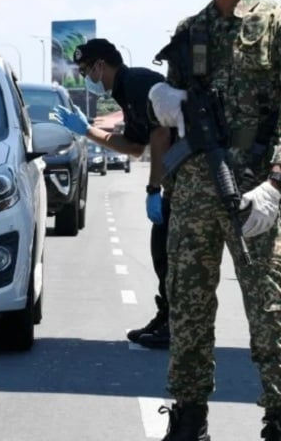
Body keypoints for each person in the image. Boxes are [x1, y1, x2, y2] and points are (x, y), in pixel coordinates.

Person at [147, 0, 281, 441]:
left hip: (254, 190)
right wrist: (164, 104)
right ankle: (189, 416)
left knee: (270, 313)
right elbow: (172, 121)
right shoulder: (189, 30)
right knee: (189, 309)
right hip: (195, 186)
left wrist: (277, 186)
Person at [53, 38, 173, 350]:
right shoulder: (125, 89)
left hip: (189, 177)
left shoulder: (136, 83)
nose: (85, 78)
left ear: (99, 66)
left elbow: (160, 133)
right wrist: (88, 131)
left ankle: (175, 324)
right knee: (162, 249)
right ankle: (168, 318)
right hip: (178, 179)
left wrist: (153, 188)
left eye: (84, 71)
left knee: (171, 253)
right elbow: (134, 147)